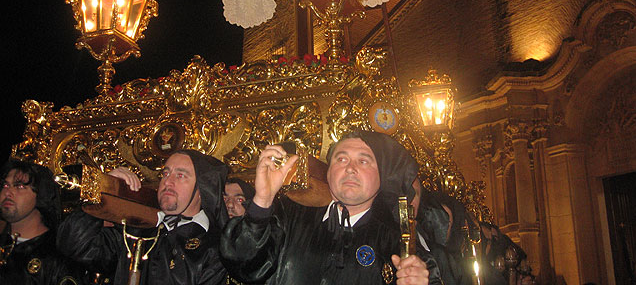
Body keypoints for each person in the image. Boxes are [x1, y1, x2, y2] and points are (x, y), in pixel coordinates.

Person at [221, 131, 442, 284]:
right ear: (328, 172)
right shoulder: (288, 217)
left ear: (381, 176)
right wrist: (263, 200)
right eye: (341, 159)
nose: (350, 169)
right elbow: (243, 266)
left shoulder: (399, 241)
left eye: (364, 161)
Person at [57, 149, 229, 284]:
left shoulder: (215, 247)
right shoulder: (134, 229)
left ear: (202, 189)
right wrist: (102, 191)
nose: (167, 181)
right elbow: (74, 245)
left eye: (181, 175)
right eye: (166, 173)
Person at [0, 159, 84, 284]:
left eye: (20, 186)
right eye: (5, 185)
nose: (8, 192)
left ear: (41, 194)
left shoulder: (57, 257)